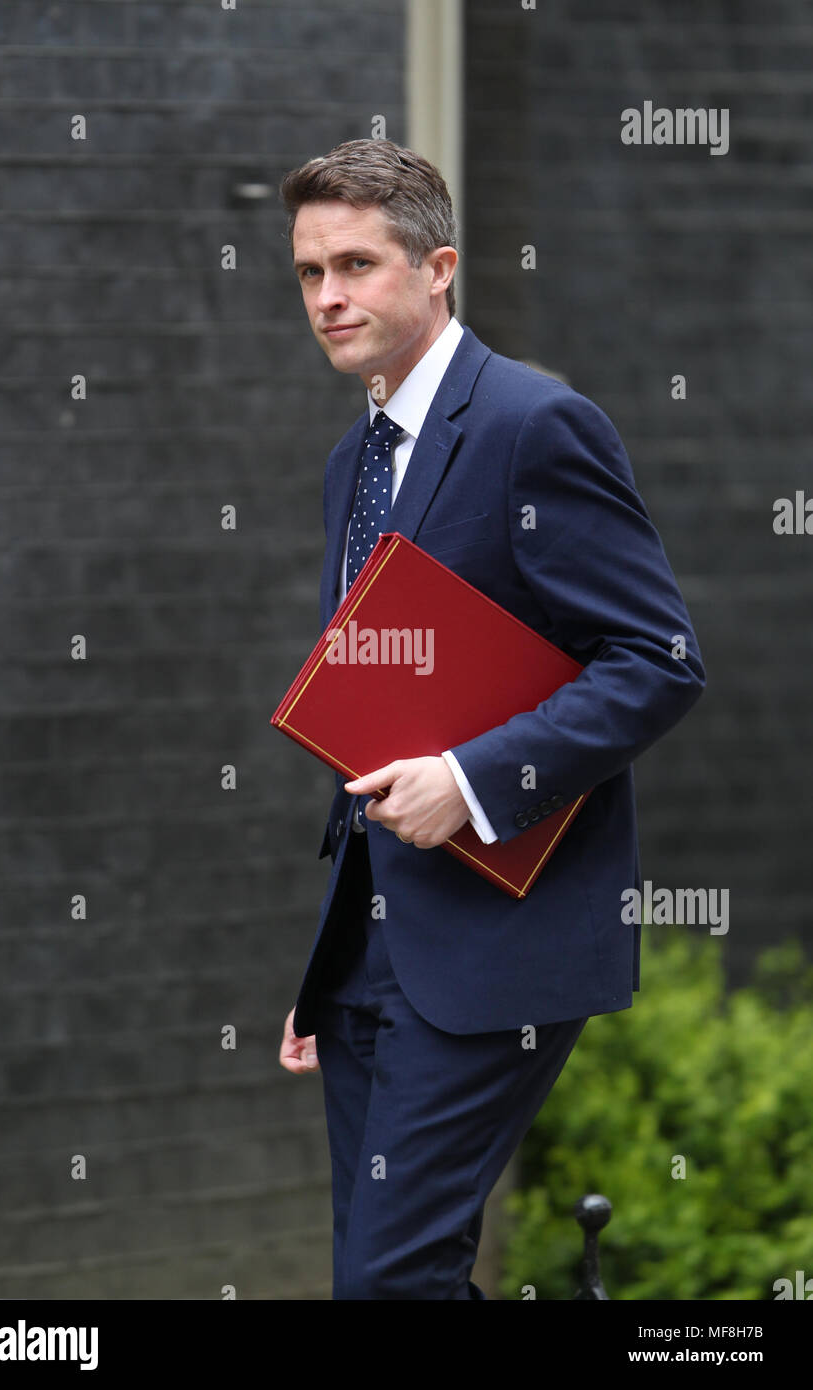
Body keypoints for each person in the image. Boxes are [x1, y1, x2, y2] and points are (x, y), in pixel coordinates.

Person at [276, 138, 705, 1300]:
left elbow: (657, 661)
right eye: (309, 271)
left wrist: (469, 780)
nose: (327, 297)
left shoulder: (532, 423)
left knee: (391, 1280)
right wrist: (330, 965)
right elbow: (370, 720)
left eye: (356, 265)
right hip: (376, 947)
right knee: (380, 1280)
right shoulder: (349, 462)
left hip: (493, 942)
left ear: (439, 267)